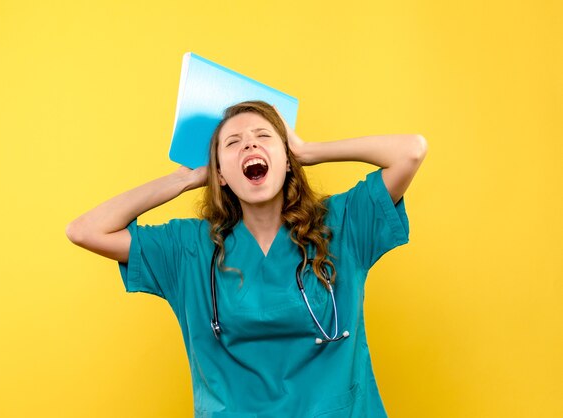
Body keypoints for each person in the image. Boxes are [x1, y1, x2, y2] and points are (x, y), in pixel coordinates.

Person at [66, 100, 428, 417]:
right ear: (220, 174)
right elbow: (85, 231)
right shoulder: (189, 248)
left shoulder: (342, 224)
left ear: (287, 161)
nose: (250, 143)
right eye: (233, 143)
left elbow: (411, 150)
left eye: (264, 136)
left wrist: (310, 151)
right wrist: (183, 180)